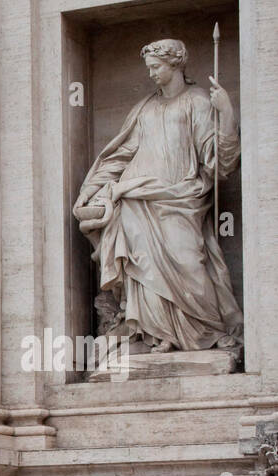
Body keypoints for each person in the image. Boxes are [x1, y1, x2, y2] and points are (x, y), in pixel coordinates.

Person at [74, 39, 242, 354]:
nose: (151, 74)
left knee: (188, 261)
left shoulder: (199, 102)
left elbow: (219, 162)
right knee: (142, 266)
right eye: (149, 68)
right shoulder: (145, 109)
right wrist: (91, 188)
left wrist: (227, 114)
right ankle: (155, 333)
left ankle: (204, 330)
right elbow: (120, 156)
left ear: (175, 64)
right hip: (137, 199)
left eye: (156, 67)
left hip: (181, 197)